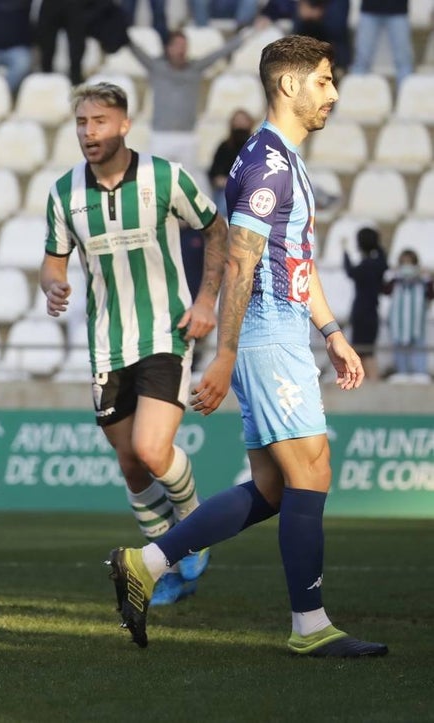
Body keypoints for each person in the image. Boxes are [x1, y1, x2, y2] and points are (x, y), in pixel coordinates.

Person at [107, 35, 388, 658]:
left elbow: (298, 261)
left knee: (270, 488)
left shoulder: (283, 158)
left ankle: (145, 562)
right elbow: (240, 263)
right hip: (266, 339)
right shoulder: (267, 164)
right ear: (289, 85)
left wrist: (333, 332)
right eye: (324, 80)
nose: (332, 93)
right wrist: (227, 353)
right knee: (311, 469)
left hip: (283, 332)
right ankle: (310, 627)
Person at [42, 82, 227, 606]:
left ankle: (191, 528)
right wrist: (52, 283)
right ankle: (164, 563)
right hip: (106, 344)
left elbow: (216, 229)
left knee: (151, 447)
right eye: (81, 122)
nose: (88, 132)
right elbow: (53, 259)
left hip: (166, 332)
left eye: (99, 121)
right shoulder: (64, 192)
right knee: (130, 462)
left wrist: (208, 299)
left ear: (125, 124)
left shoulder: (162, 176)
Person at [130, 28, 247, 191]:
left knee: (189, 185)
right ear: (168, 48)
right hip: (160, 136)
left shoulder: (196, 68)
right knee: (157, 183)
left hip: (187, 137)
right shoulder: (156, 67)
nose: (181, 49)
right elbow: (134, 49)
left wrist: (251, 31)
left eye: (184, 45)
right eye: (177, 45)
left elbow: (220, 52)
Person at [342, 227, 387, 378]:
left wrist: (345, 252)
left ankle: (372, 382)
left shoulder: (365, 266)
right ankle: (370, 381)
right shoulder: (379, 263)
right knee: (367, 350)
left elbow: (350, 271)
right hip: (372, 311)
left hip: (361, 311)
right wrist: (376, 244)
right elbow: (383, 258)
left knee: (364, 351)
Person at [383, 248, 433, 381]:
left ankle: (420, 373)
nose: (407, 266)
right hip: (399, 322)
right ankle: (402, 372)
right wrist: (391, 274)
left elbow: (430, 294)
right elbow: (385, 290)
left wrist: (428, 277)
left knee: (418, 347)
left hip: (416, 322)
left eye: (409, 262)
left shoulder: (423, 280)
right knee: (399, 348)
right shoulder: (395, 280)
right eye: (404, 262)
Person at [350, 0, 411, 83]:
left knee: (403, 60)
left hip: (398, 9)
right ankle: (356, 91)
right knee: (362, 58)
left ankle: (406, 93)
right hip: (370, 9)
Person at [209, 109, 255, 218]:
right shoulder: (224, 147)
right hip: (226, 188)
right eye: (237, 121)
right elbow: (215, 174)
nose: (240, 124)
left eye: (243, 121)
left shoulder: (255, 145)